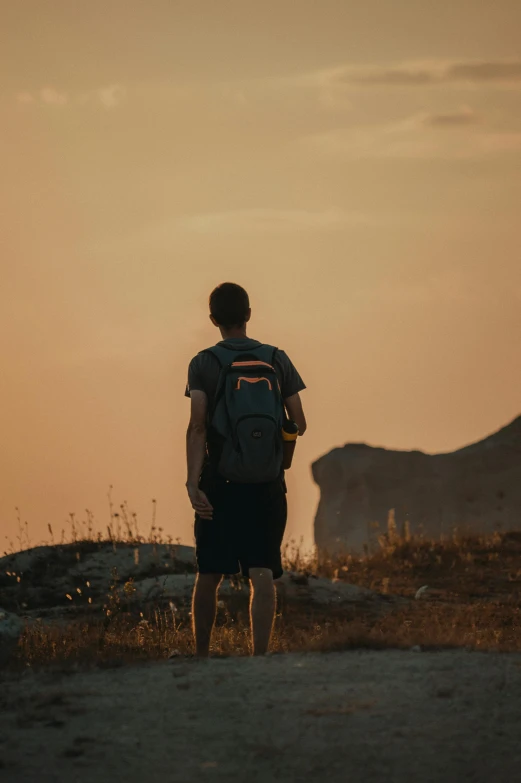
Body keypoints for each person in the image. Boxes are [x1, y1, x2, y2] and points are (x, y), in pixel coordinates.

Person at [185, 282, 307, 657]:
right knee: (262, 572)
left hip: (220, 482)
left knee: (209, 574)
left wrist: (193, 483)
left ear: (213, 319)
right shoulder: (276, 357)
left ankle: (202, 656)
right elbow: (299, 422)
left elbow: (198, 426)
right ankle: (260, 659)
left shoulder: (204, 362)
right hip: (268, 483)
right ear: (249, 314)